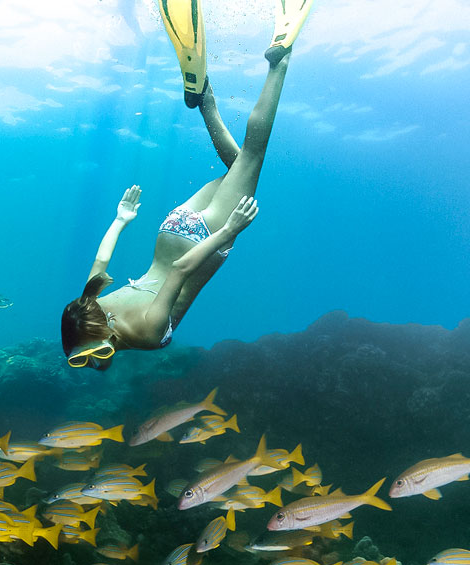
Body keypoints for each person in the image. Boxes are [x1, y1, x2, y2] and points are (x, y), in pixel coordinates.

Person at [60, 0, 314, 370]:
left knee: (253, 155)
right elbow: (101, 260)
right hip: (171, 230)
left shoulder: (145, 336)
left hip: (203, 243)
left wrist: (228, 231)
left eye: (91, 353)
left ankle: (280, 61)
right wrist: (120, 220)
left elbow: (180, 271)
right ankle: (205, 100)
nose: (97, 361)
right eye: (85, 360)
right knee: (237, 167)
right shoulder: (90, 305)